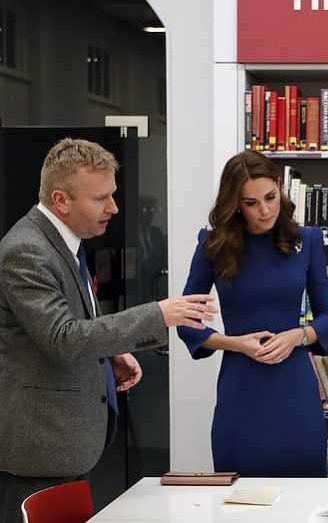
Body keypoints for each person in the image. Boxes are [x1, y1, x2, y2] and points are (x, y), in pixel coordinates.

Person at [0, 138, 217, 523]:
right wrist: (158, 314)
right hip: (39, 451)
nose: (114, 208)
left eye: (112, 195)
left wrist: (109, 356)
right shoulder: (27, 251)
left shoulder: (67, 243)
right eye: (101, 198)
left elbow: (66, 324)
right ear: (61, 201)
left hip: (66, 444)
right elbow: (62, 339)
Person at [177, 150, 328, 477]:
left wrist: (297, 336)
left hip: (295, 388)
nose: (265, 210)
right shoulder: (212, 246)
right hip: (241, 389)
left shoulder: (307, 241)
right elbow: (186, 322)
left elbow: (327, 317)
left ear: (280, 187)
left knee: (304, 497)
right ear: (235, 203)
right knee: (238, 499)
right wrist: (236, 344)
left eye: (270, 197)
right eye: (251, 203)